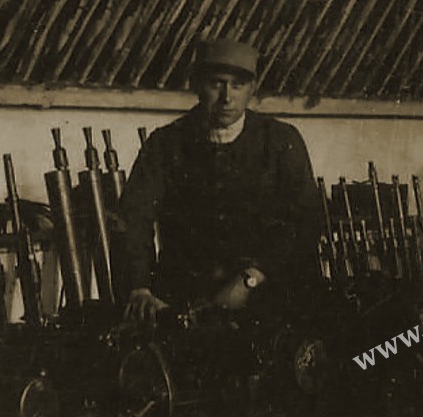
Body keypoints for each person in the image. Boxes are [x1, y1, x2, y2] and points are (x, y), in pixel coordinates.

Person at [117, 38, 324, 322]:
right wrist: (139, 286)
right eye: (217, 84)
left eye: (237, 85)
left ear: (252, 89)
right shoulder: (166, 144)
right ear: (197, 86)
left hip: (266, 289)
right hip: (186, 294)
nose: (227, 97)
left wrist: (251, 278)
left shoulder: (280, 141)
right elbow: (134, 216)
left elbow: (305, 222)